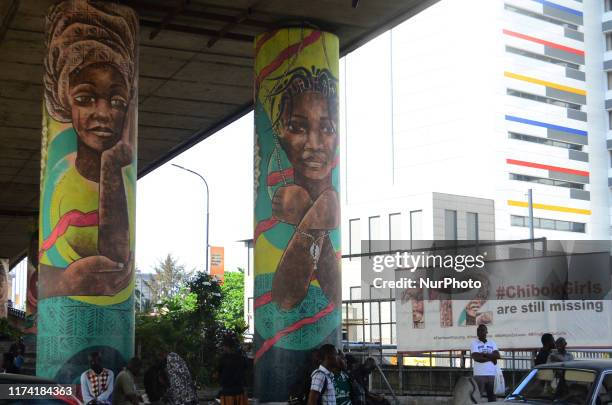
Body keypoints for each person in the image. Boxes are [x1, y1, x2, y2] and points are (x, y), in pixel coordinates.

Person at [39, 0, 138, 299]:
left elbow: (115, 269)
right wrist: (67, 282)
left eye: (118, 102)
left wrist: (110, 166)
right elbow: (112, 268)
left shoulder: (125, 179)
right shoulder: (59, 182)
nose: (103, 113)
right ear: (63, 100)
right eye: (85, 98)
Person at [470, 324, 500, 402]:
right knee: (477, 398)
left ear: (486, 332)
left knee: (492, 398)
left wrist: (484, 355)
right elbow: (476, 357)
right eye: (478, 330)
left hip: (492, 375)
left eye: (482, 330)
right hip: (479, 375)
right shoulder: (474, 343)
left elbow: (497, 355)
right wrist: (491, 358)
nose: (479, 332)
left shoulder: (492, 342)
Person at [217, 335, 248, 405]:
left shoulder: (223, 358)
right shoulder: (241, 357)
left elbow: (219, 372)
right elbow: (246, 368)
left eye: (224, 346)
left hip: (227, 391)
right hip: (239, 390)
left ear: (226, 347)